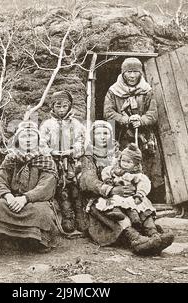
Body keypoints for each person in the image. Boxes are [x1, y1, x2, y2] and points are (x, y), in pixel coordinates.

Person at [76, 121, 173, 256]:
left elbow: (133, 171)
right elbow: (88, 180)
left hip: (124, 192)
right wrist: (110, 189)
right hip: (100, 195)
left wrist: (133, 188)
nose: (102, 137)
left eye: (106, 133)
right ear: (92, 136)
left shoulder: (119, 153)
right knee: (111, 210)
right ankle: (135, 239)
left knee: (141, 203)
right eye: (98, 134)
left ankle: (154, 235)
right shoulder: (88, 156)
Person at [0, 121, 59, 270]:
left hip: (36, 201)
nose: (28, 140)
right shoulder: (11, 158)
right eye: (24, 136)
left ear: (39, 139)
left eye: (32, 136)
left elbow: (46, 187)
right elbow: (0, 180)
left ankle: (33, 241)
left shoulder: (46, 160)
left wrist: (25, 198)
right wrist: (9, 196)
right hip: (12, 199)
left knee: (43, 212)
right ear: (17, 140)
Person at [103, 57, 164, 200]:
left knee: (149, 166)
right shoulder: (113, 91)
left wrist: (141, 121)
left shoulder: (147, 91)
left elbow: (153, 113)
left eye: (135, 72)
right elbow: (108, 112)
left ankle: (148, 198)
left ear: (140, 73)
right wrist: (125, 119)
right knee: (125, 167)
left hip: (145, 138)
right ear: (123, 73)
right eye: (129, 72)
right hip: (124, 136)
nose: (132, 75)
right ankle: (128, 198)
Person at [39, 91, 86, 233]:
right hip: (54, 162)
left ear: (69, 106)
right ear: (52, 107)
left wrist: (72, 151)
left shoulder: (75, 124)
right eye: (58, 106)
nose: (61, 109)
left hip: (72, 162)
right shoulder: (47, 124)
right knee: (62, 189)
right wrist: (51, 152)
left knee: (75, 188)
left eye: (64, 106)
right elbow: (41, 143)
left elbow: (81, 141)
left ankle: (80, 216)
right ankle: (67, 217)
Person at [97, 143, 162, 238]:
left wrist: (140, 193)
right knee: (112, 201)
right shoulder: (114, 170)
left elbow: (144, 182)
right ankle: (117, 213)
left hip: (132, 196)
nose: (125, 164)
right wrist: (108, 181)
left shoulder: (136, 175)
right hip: (117, 194)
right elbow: (106, 172)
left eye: (129, 162)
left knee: (140, 207)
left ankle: (152, 232)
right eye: (123, 161)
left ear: (135, 165)